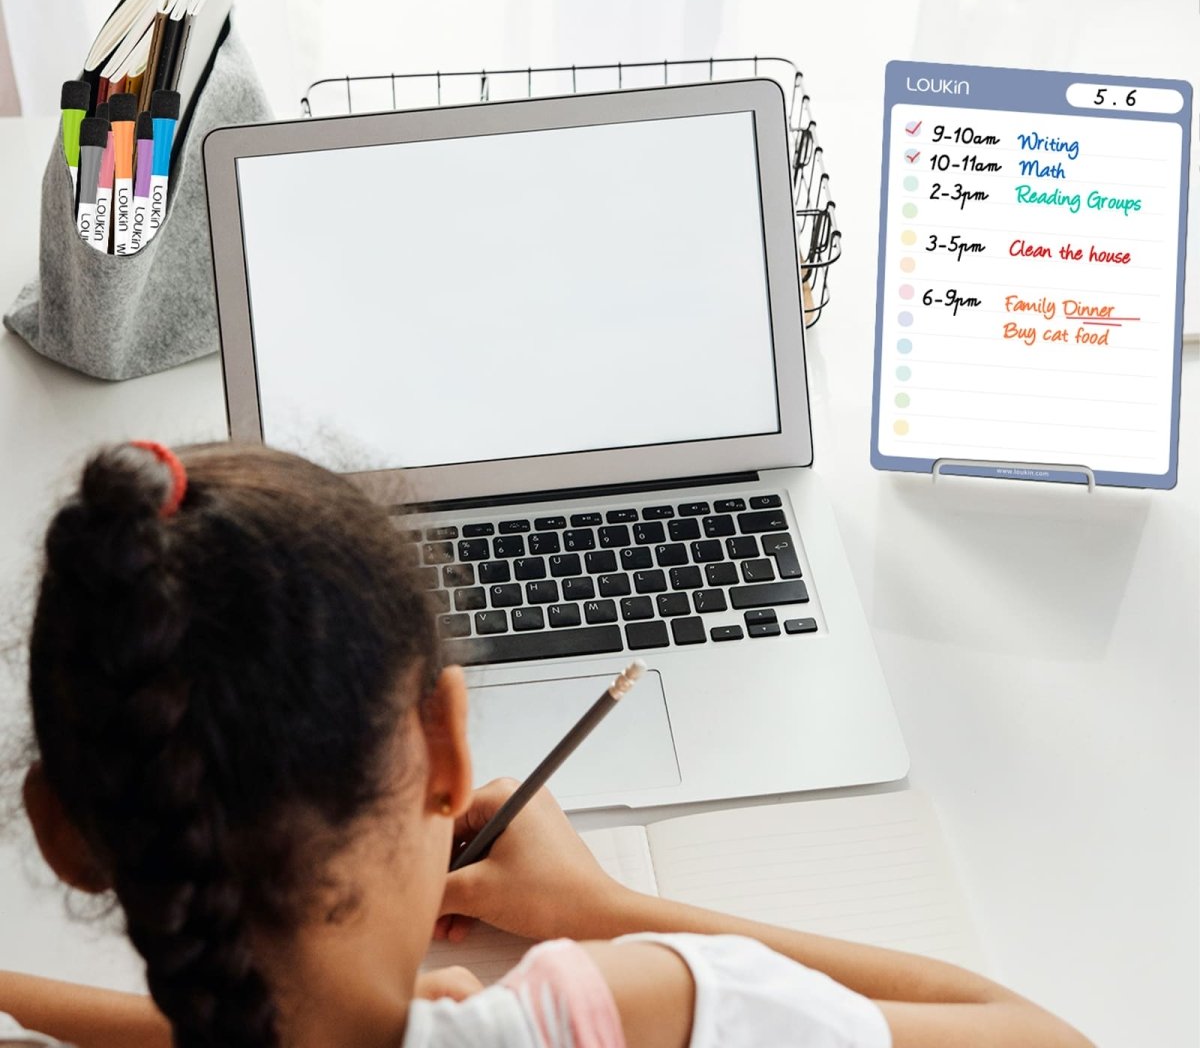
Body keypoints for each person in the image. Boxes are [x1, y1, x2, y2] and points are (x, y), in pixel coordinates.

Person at [8, 440, 1092, 1048]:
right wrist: (607, 915)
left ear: (62, 832)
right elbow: (1039, 1037)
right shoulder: (621, 1014)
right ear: (445, 747)